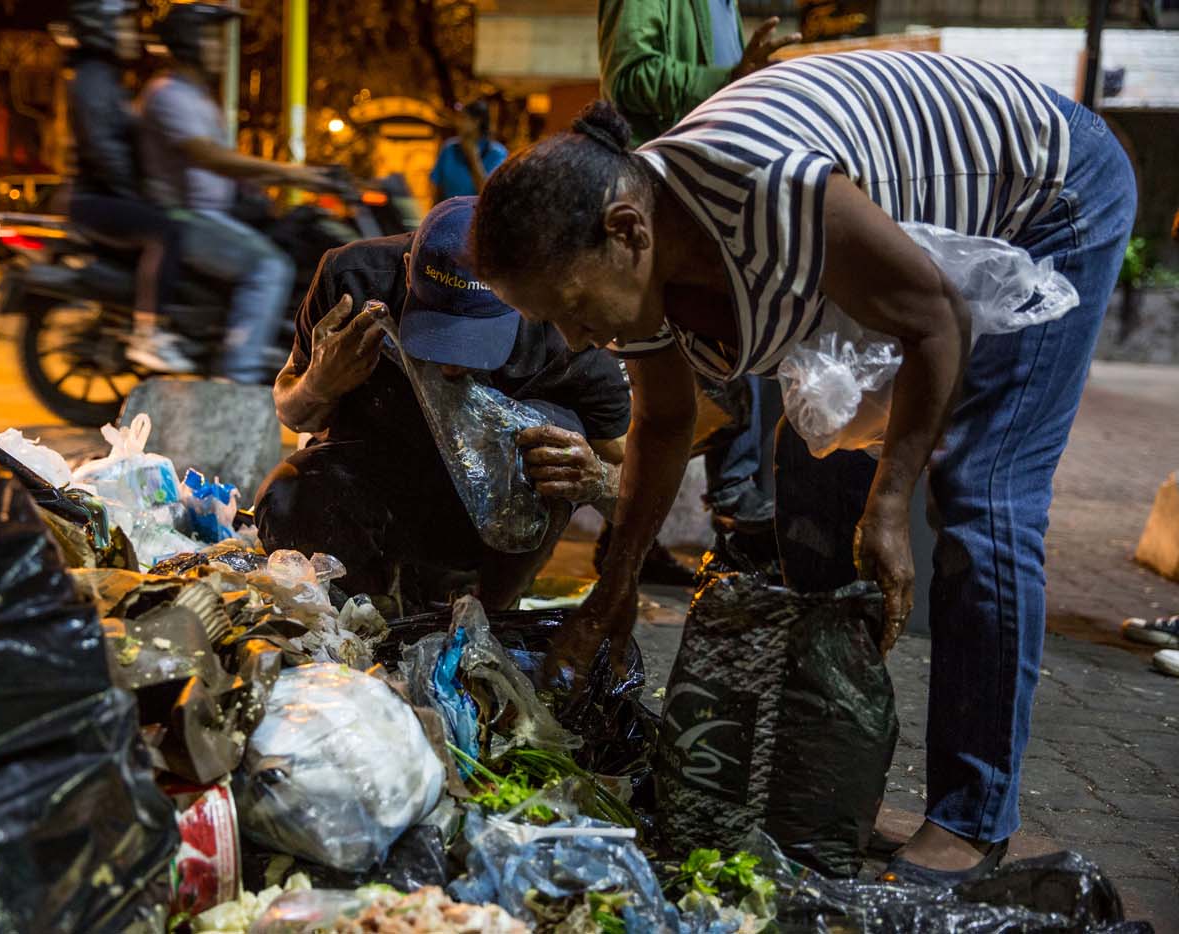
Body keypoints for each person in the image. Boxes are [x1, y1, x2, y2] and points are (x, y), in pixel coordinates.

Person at [470, 52, 1136, 885]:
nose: (572, 340)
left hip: (1048, 189)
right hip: (910, 239)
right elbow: (666, 419)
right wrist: (614, 591)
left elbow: (935, 323)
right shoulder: (638, 260)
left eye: (569, 309)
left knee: (981, 490)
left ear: (628, 233)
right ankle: (833, 778)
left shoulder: (768, 191)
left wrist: (891, 499)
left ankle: (973, 816)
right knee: (810, 469)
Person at [255, 197, 632, 611]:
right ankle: (361, 615)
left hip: (491, 523)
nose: (452, 365)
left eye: (476, 344)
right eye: (436, 335)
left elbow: (631, 485)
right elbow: (292, 411)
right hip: (373, 482)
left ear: (520, 295)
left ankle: (491, 616)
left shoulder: (567, 326)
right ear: (406, 271)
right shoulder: (354, 279)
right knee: (288, 495)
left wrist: (597, 479)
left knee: (555, 444)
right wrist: (317, 385)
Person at [599, 1, 799, 533]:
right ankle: (730, 490)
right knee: (691, 365)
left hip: (710, 192)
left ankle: (633, 535)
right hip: (672, 193)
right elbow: (629, 76)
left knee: (714, 362)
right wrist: (730, 79)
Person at [137, 1, 329, 383]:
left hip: (215, 216)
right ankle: (238, 374)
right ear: (189, 42)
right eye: (211, 37)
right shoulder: (168, 94)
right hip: (188, 219)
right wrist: (292, 174)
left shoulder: (198, 97)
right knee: (270, 266)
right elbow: (209, 157)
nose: (220, 46)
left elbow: (225, 164)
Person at [66, 0, 186, 372]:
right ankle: (148, 334)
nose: (132, 33)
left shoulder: (104, 78)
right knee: (164, 231)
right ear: (101, 29)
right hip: (96, 197)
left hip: (101, 192)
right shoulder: (93, 81)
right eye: (123, 25)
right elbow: (105, 149)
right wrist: (139, 194)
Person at [430, 100, 507, 203]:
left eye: (463, 118)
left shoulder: (496, 153)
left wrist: (473, 159)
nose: (458, 123)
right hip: (450, 214)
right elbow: (437, 188)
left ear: (477, 122)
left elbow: (490, 194)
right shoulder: (449, 148)